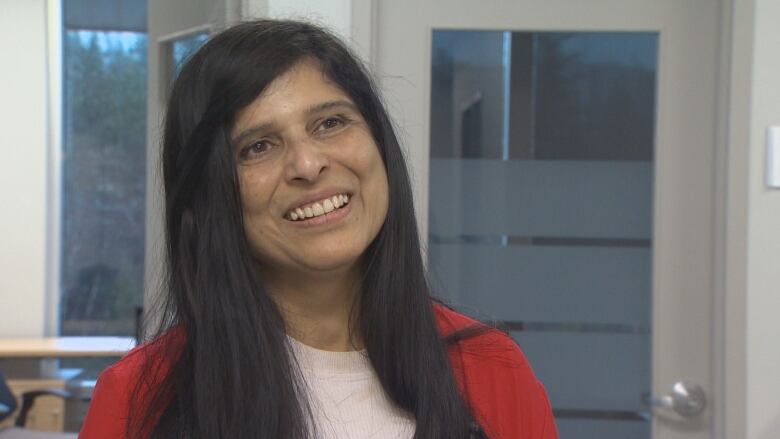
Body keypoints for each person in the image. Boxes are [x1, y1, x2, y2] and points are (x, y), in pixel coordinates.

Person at [79, 19, 558, 439]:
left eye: (331, 122)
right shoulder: (138, 400)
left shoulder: (493, 370)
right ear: (210, 195)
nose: (308, 164)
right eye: (258, 146)